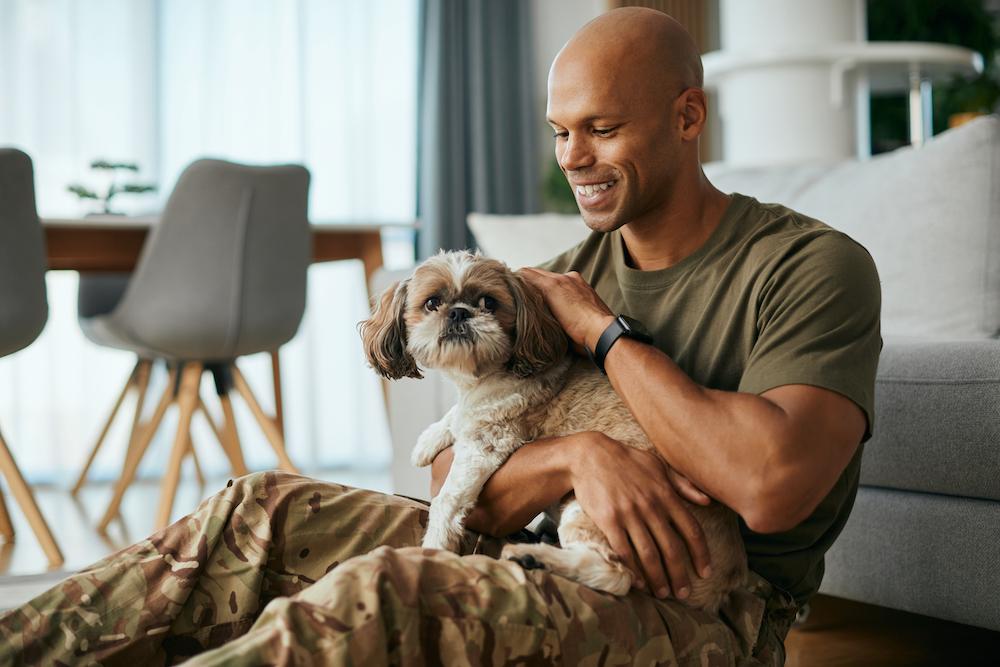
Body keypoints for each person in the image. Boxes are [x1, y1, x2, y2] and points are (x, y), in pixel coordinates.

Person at [0, 7, 879, 666]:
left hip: (707, 613)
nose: (574, 157)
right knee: (257, 508)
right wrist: (579, 456)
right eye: (561, 132)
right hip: (543, 546)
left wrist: (605, 335)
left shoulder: (808, 267)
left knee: (388, 593)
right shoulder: (559, 272)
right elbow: (451, 477)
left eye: (602, 129)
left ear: (688, 117)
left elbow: (771, 486)